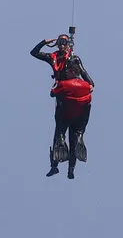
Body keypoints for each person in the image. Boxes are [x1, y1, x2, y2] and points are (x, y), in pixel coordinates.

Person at [30, 34, 94, 179]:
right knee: (60, 135)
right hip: (62, 97)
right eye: (59, 42)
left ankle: (71, 169)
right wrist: (44, 42)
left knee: (68, 135)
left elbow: (88, 78)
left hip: (67, 94)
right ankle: (55, 166)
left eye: (64, 42)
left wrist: (87, 86)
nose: (61, 45)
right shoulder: (52, 57)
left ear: (68, 44)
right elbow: (34, 53)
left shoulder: (74, 59)